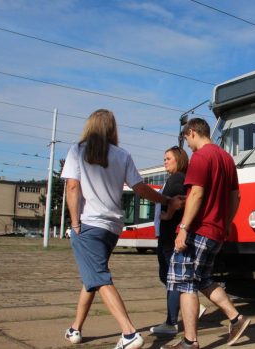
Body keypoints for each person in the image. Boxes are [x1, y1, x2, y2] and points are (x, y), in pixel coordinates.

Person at [61, 109, 182, 349]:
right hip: (113, 228)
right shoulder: (122, 155)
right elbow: (140, 189)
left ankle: (129, 334)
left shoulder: (78, 150)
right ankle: (75, 329)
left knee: (99, 277)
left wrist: (75, 224)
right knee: (92, 277)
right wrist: (166, 200)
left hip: (89, 224)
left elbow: (72, 188)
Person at [162, 118, 250, 349]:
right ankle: (237, 319)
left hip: (199, 229)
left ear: (192, 132)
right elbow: (236, 197)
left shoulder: (201, 157)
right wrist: (226, 222)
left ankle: (190, 341)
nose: (187, 146)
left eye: (186, 139)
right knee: (202, 279)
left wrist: (183, 228)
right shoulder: (226, 158)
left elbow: (197, 194)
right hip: (216, 231)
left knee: (185, 283)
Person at [150, 146, 207, 335]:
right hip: (168, 236)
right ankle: (191, 307)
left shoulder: (177, 178)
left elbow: (181, 201)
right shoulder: (175, 178)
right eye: (164, 158)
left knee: (172, 279)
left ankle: (171, 322)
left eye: (168, 158)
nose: (165, 161)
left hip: (170, 237)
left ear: (179, 160)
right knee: (169, 277)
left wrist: (169, 213)